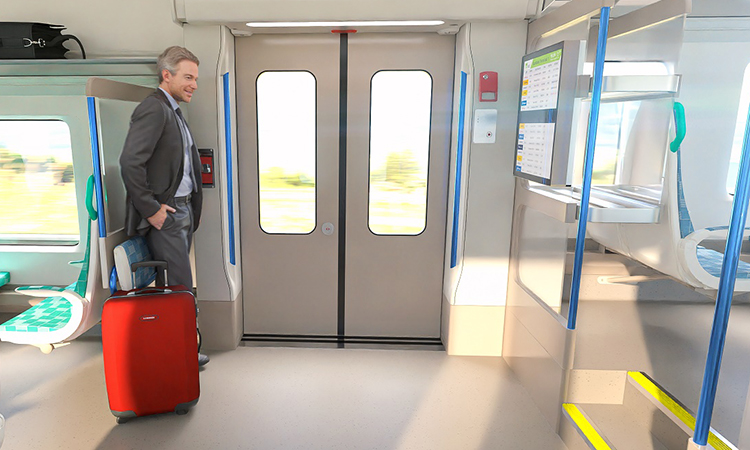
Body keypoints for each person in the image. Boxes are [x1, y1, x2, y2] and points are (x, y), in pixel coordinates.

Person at [120, 46, 209, 367]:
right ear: (166, 76)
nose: (194, 85)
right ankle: (182, 353)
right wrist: (152, 210)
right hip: (166, 213)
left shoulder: (173, 110)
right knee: (180, 287)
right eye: (188, 77)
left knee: (178, 285)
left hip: (182, 210)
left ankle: (175, 347)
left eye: (195, 78)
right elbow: (130, 163)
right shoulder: (154, 109)